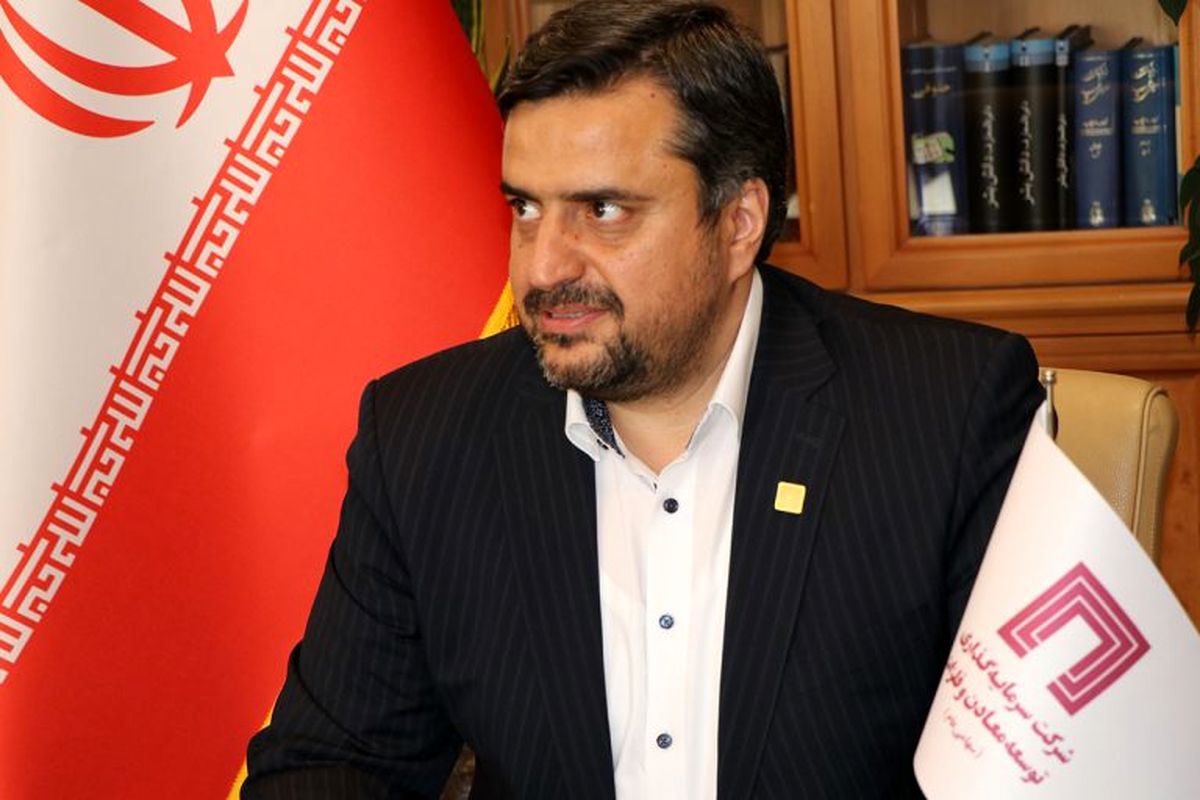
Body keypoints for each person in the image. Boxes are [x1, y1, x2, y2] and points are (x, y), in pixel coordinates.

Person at [243, 1, 1042, 797]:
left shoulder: (946, 415)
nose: (544, 267)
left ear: (739, 222)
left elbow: (1038, 770)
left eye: (603, 211)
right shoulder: (426, 434)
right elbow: (331, 765)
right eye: (525, 208)